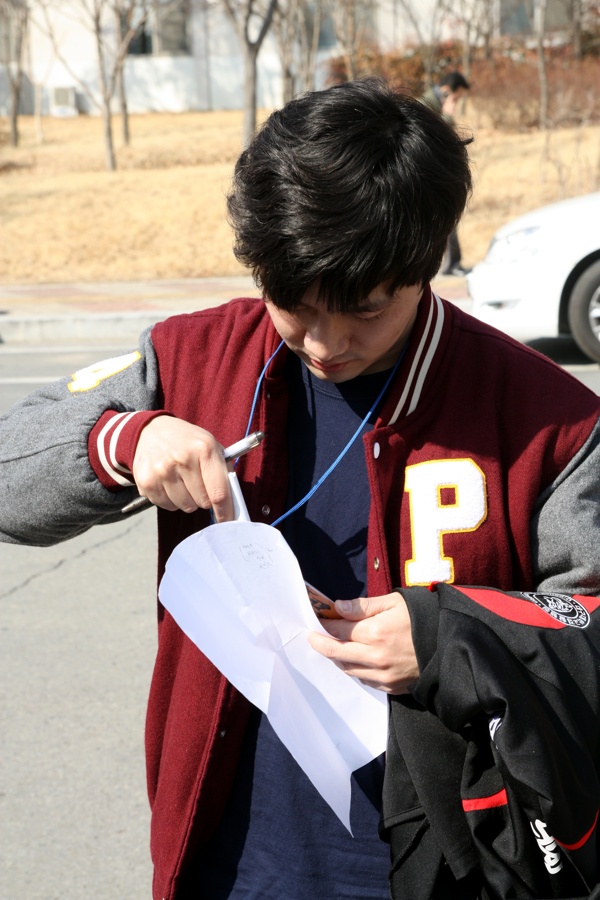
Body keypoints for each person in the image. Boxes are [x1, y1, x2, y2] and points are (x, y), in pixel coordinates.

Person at [1, 77, 600, 900]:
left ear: (426, 264)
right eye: (293, 303)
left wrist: (451, 639)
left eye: (364, 310)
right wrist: (124, 441)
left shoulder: (547, 416)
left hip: (460, 859)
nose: (324, 342)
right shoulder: (193, 358)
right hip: (230, 856)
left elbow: (588, 619)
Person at [421, 71, 471, 277]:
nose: (456, 102)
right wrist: (448, 115)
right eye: (457, 97)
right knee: (444, 218)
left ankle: (451, 264)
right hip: (429, 173)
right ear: (448, 90)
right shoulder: (427, 103)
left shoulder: (434, 101)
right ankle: (448, 266)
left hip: (436, 171)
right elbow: (430, 136)